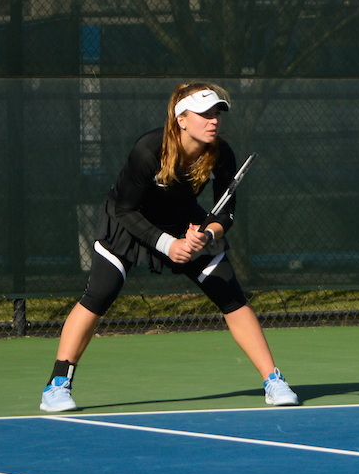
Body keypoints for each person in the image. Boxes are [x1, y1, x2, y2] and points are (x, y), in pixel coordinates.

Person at [40, 82, 299, 411]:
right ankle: (57, 385)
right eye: (204, 113)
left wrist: (206, 236)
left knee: (231, 296)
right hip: (128, 223)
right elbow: (124, 209)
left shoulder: (221, 153)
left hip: (182, 220)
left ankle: (273, 380)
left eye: (217, 112)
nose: (214, 120)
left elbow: (227, 212)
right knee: (99, 296)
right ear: (181, 119)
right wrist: (168, 244)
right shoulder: (149, 150)